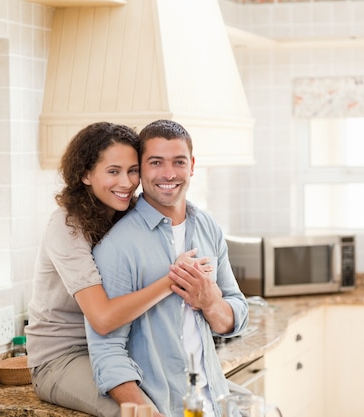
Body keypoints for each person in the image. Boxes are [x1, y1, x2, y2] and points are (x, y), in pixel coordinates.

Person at [25, 121, 210, 417]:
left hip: (120, 351)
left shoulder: (125, 213)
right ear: (85, 174)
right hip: (65, 357)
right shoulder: (66, 226)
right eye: (113, 171)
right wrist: (173, 279)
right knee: (143, 413)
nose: (126, 183)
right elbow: (102, 318)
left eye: (132, 170)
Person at [86, 119, 250, 417]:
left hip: (216, 403)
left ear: (192, 165)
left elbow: (237, 314)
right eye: (156, 162)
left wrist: (211, 303)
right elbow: (107, 352)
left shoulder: (207, 227)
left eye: (178, 162)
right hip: (165, 408)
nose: (168, 174)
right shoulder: (117, 246)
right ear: (141, 169)